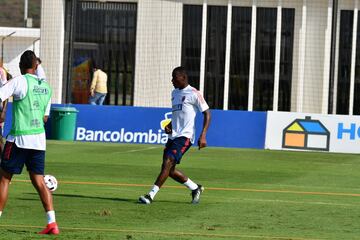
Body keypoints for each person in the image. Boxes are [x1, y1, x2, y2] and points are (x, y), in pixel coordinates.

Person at [0, 50, 59, 235]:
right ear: (35, 66)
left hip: (19, 138)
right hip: (39, 141)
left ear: (20, 66)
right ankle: (52, 223)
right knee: (39, 181)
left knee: (3, 179)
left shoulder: (19, 81)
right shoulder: (46, 87)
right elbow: (45, 117)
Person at [139, 66, 211, 204]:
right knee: (169, 170)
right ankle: (195, 188)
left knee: (168, 163)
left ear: (183, 77)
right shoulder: (174, 93)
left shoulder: (194, 93)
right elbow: (178, 114)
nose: (172, 80)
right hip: (173, 136)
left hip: (185, 136)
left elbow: (207, 113)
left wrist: (203, 135)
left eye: (174, 77)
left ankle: (150, 196)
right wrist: (170, 125)